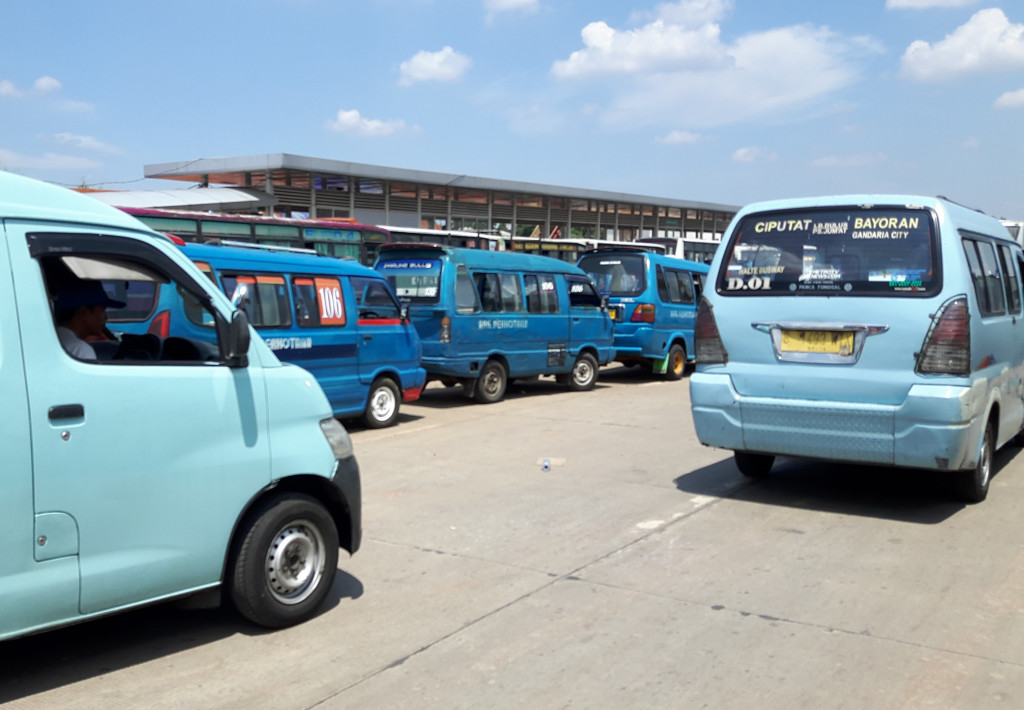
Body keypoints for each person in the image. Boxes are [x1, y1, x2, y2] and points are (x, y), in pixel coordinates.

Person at [54, 281, 125, 360]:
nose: (106, 317)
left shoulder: (52, 341)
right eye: (102, 311)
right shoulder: (80, 350)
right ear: (84, 311)